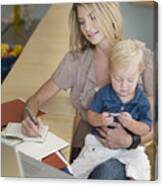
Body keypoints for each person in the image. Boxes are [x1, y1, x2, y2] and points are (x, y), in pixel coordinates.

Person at [22, 2, 154, 180]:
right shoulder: (75, 61)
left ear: (110, 14)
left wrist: (131, 141)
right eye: (82, 21)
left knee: (107, 171)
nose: (88, 28)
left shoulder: (141, 58)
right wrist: (29, 120)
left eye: (93, 17)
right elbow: (35, 100)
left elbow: (155, 121)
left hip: (127, 156)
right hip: (88, 149)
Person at [71, 39, 151, 180]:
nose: (124, 86)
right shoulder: (103, 94)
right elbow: (91, 115)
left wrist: (131, 124)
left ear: (139, 73)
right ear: (110, 72)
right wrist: (100, 119)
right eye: (118, 79)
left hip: (130, 149)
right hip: (100, 146)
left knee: (142, 168)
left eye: (130, 80)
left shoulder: (141, 101)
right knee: (78, 168)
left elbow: (145, 128)